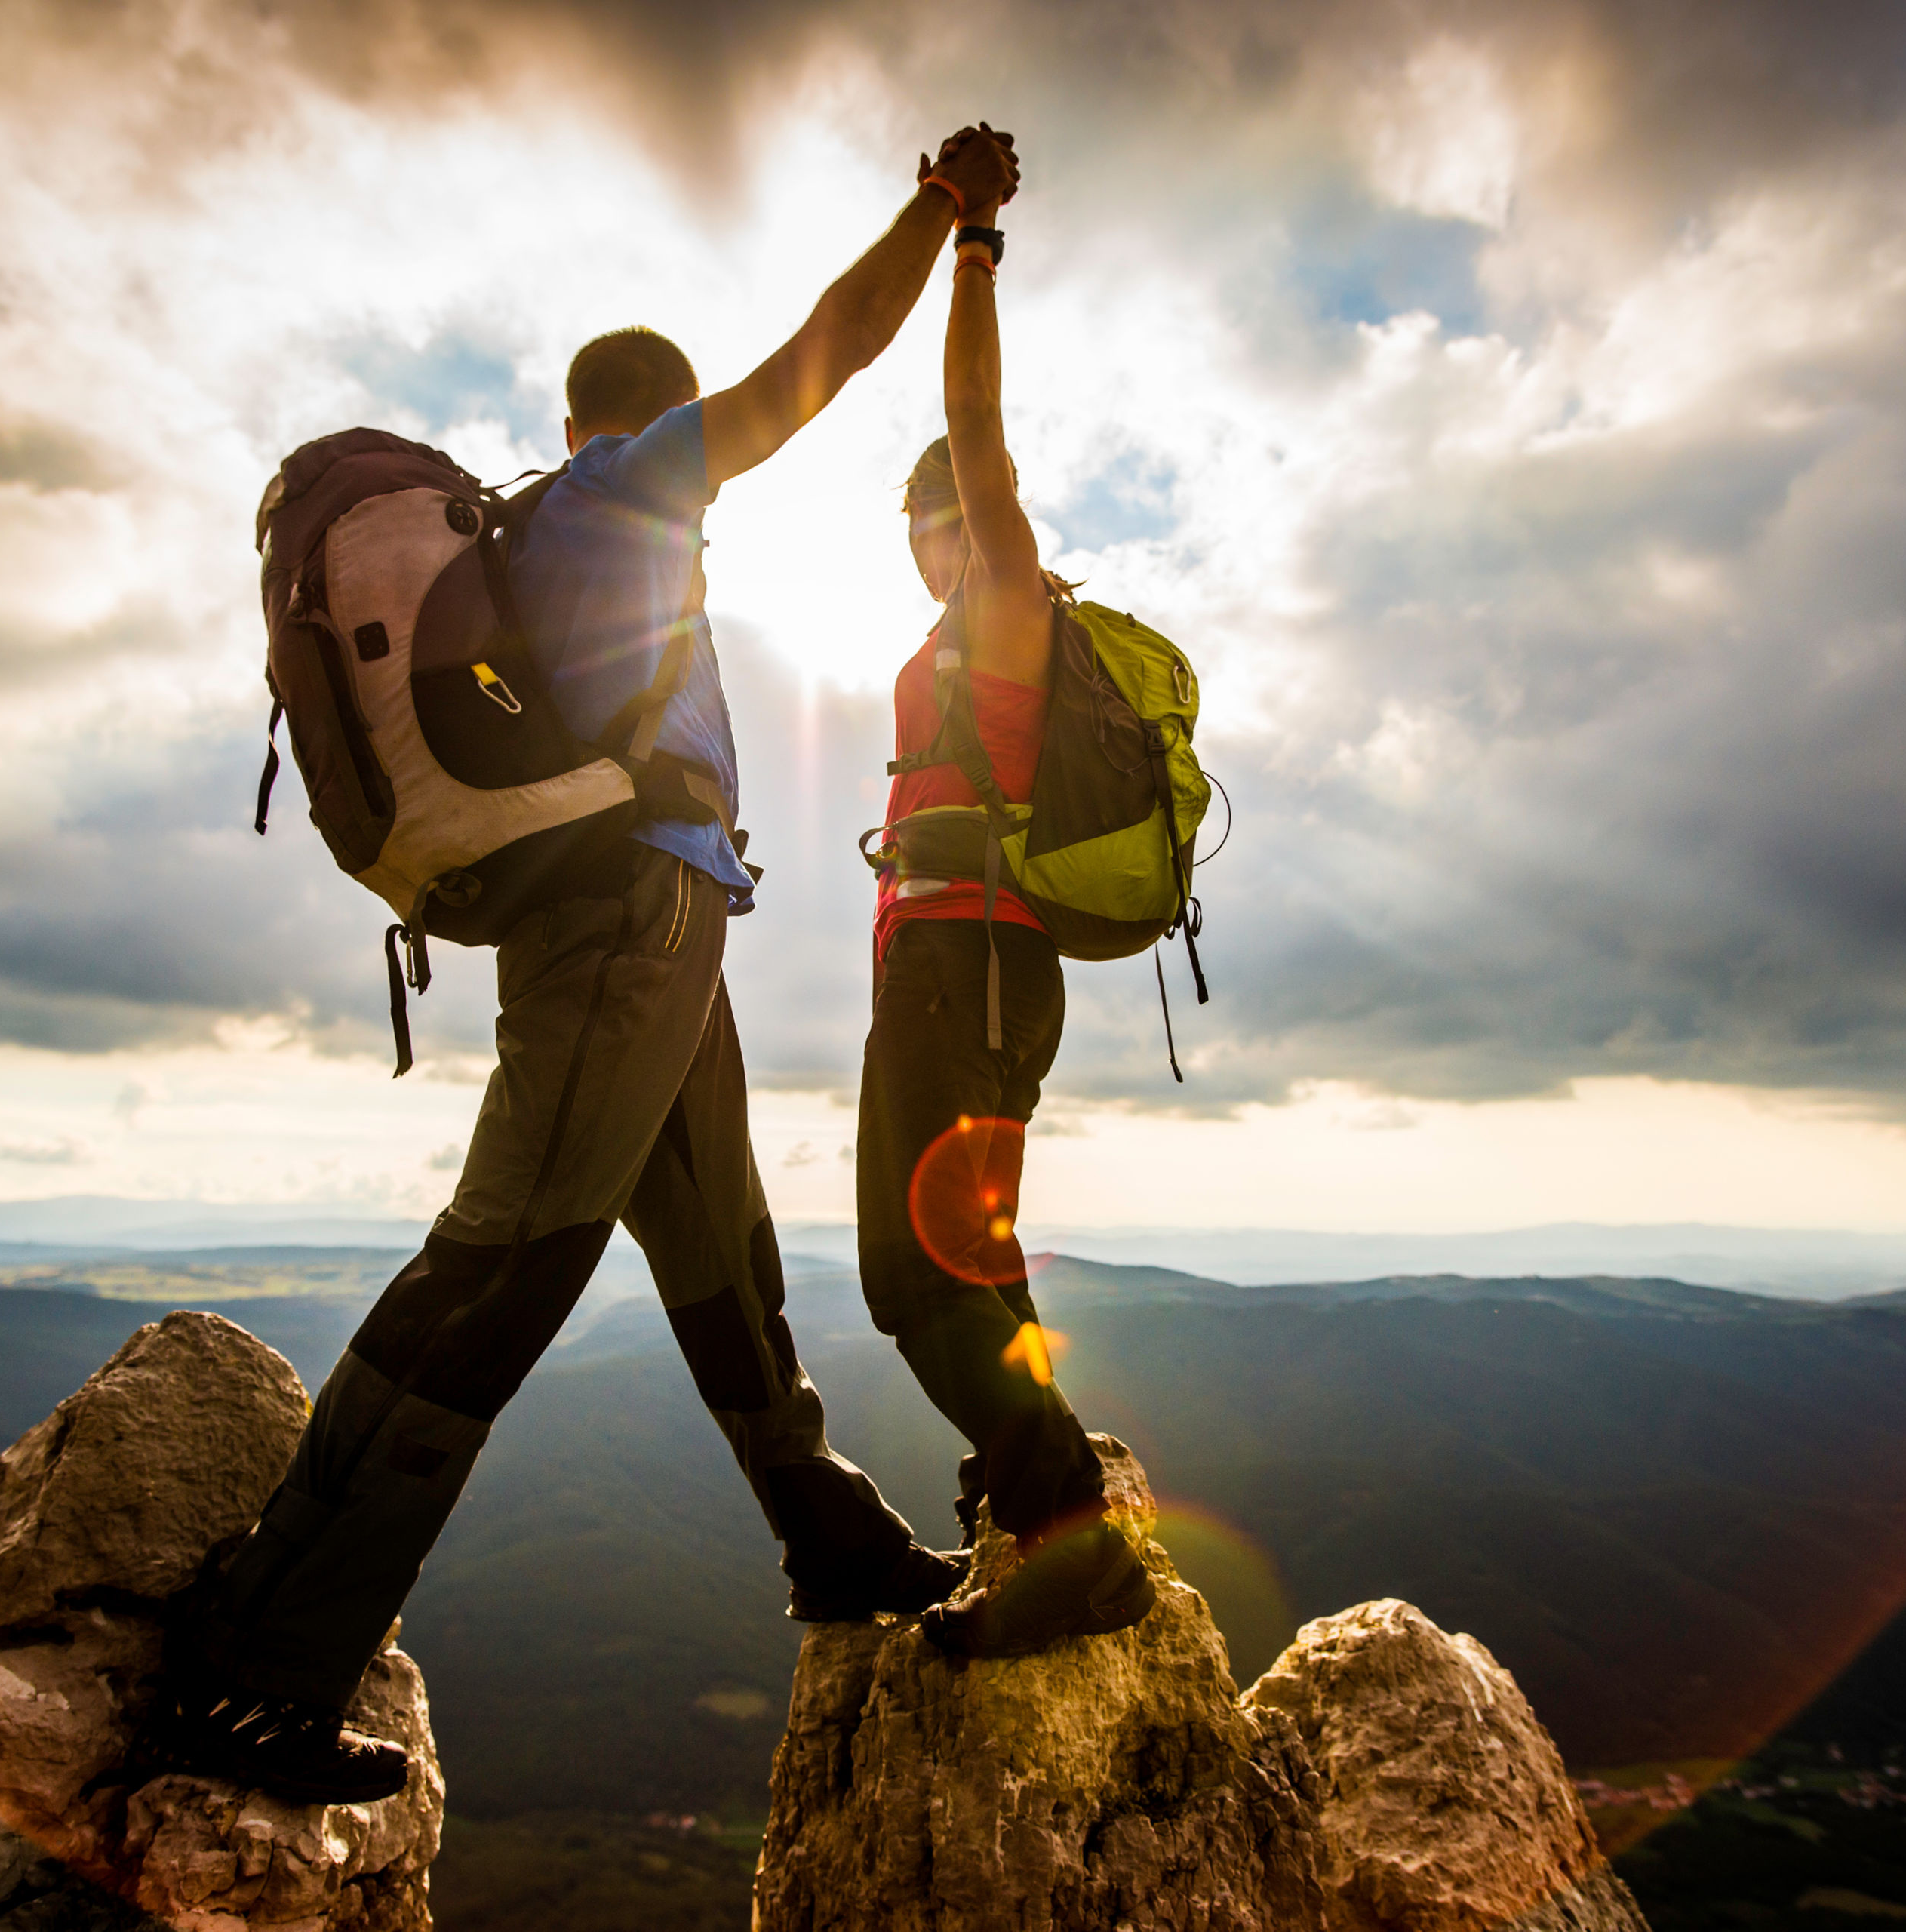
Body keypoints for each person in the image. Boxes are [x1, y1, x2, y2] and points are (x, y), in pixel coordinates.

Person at [155, 126, 1027, 1806]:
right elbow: (824, 362)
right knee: (506, 1265)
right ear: (641, 424)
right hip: (627, 925)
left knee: (726, 1262)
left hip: (658, 926)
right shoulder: (635, 486)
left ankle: (831, 1537)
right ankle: (256, 1669)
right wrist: (948, 217)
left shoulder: (546, 516)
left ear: (560, 422)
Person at [858, 154, 1157, 1657]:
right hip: (968, 963)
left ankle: (1069, 1545)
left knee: (904, 1275)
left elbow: (978, 430)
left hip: (965, 961)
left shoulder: (1009, 601)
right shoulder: (956, 643)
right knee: (973, 1258)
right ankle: (1039, 1487)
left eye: (950, 515)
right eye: (923, 522)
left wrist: (971, 247)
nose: (942, 535)